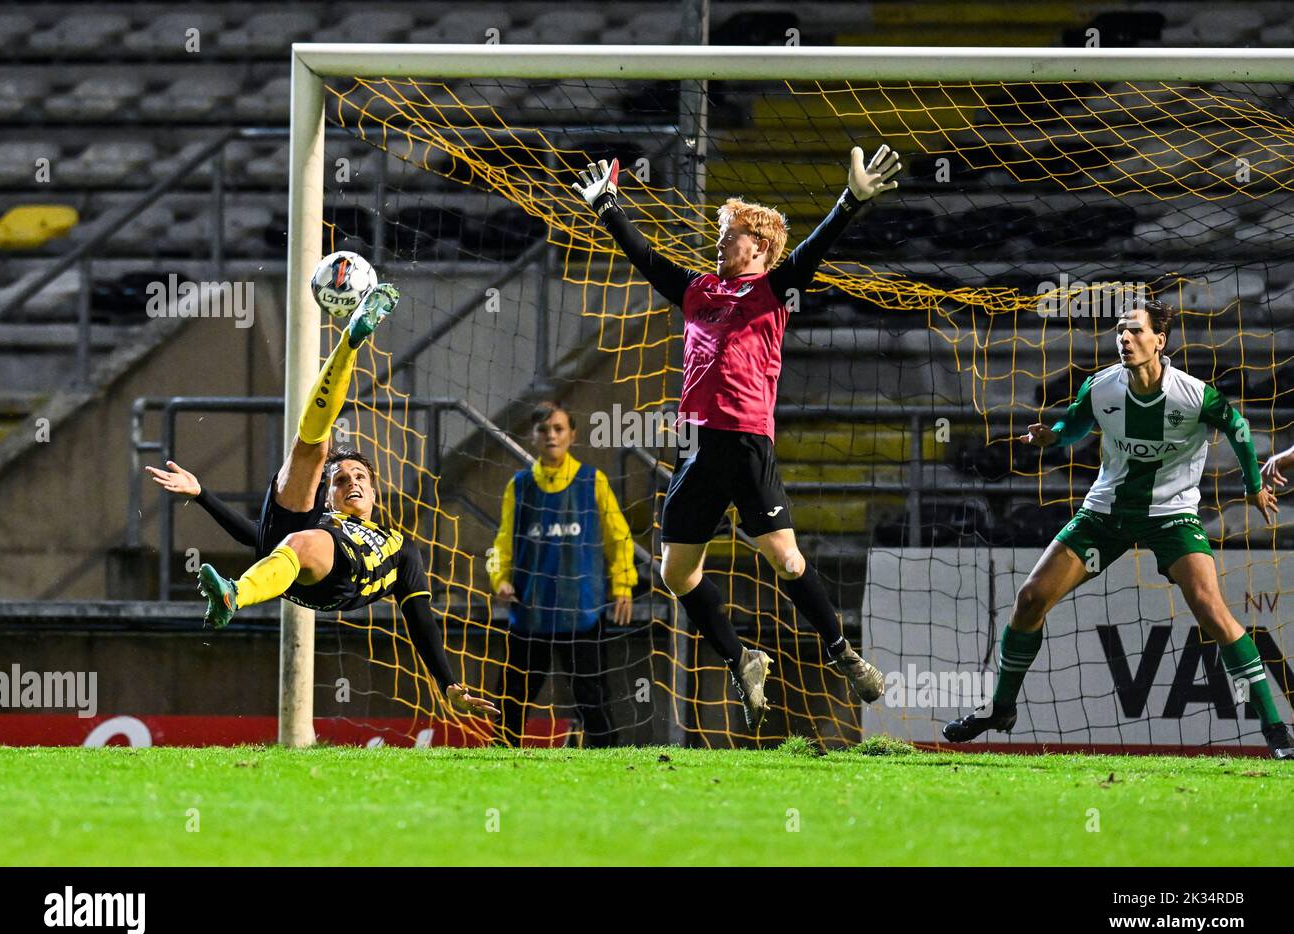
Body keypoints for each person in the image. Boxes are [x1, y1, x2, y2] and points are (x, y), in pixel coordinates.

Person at [572, 145, 901, 730]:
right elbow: (648, 259)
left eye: (729, 235)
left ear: (760, 247)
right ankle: (742, 656)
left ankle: (841, 652)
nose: (719, 242)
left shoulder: (769, 292)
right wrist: (608, 208)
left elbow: (811, 255)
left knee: (787, 559)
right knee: (675, 574)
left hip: (745, 441)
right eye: (721, 233)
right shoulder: (698, 289)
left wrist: (850, 200)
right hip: (697, 446)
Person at [941, 299, 1292, 759]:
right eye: (1120, 333)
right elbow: (1075, 425)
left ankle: (1275, 730)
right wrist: (1053, 435)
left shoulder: (1192, 394)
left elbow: (1239, 428)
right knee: (1030, 599)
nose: (1124, 339)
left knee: (1212, 611)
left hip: (1172, 516)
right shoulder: (1102, 386)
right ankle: (1001, 708)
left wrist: (1252, 488)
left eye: (1134, 331)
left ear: (1159, 341)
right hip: (1106, 513)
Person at [150, 283, 496, 720]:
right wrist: (202, 495)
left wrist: (447, 685)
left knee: (304, 538)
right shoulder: (322, 517)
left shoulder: (400, 547)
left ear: (373, 489)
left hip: (341, 582)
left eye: (359, 477)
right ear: (331, 496)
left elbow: (420, 619)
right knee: (313, 444)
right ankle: (352, 338)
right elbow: (260, 539)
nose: (350, 482)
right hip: (298, 557)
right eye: (340, 480)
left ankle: (236, 594)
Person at [488, 401, 636, 747]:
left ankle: (607, 755)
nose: (551, 436)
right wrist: (500, 578)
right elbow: (502, 540)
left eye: (558, 429)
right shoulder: (520, 485)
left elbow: (618, 536)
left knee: (591, 692)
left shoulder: (592, 481)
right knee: (513, 691)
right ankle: (502, 750)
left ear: (572, 435)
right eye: (543, 430)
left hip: (580, 611)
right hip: (531, 609)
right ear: (533, 437)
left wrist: (624, 584)